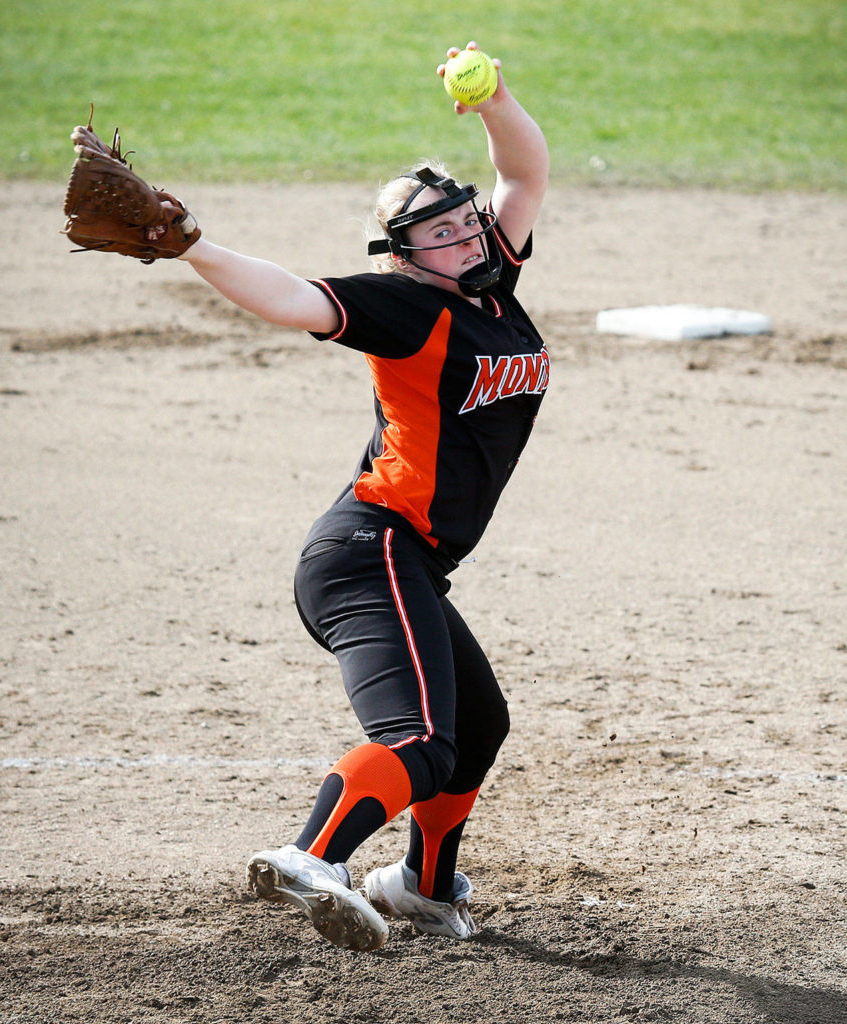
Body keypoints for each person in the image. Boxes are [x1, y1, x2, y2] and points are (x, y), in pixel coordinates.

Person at [178, 40, 550, 951]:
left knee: (477, 725)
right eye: (443, 235)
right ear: (405, 255)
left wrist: (495, 98)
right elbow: (293, 298)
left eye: (467, 223)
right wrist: (193, 247)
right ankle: (312, 858)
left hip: (406, 560)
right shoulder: (404, 306)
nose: (466, 238)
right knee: (421, 741)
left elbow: (525, 170)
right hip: (369, 553)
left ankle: (422, 886)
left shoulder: (491, 280)